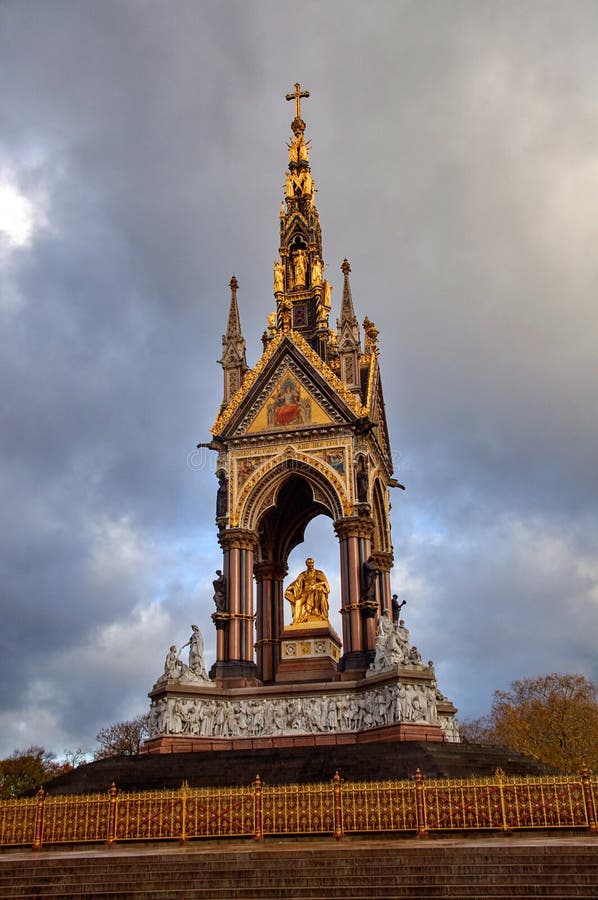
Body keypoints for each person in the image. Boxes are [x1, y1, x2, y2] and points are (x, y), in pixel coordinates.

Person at [284, 557, 330, 624]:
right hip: (305, 593)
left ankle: (316, 609)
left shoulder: (319, 573)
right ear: (306, 564)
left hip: (315, 591)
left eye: (311, 563)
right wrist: (289, 589)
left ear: (313, 563)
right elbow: (296, 582)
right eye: (309, 563)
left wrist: (316, 585)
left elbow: (325, 583)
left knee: (318, 591)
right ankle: (296, 620)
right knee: (298, 602)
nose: (310, 565)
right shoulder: (303, 574)